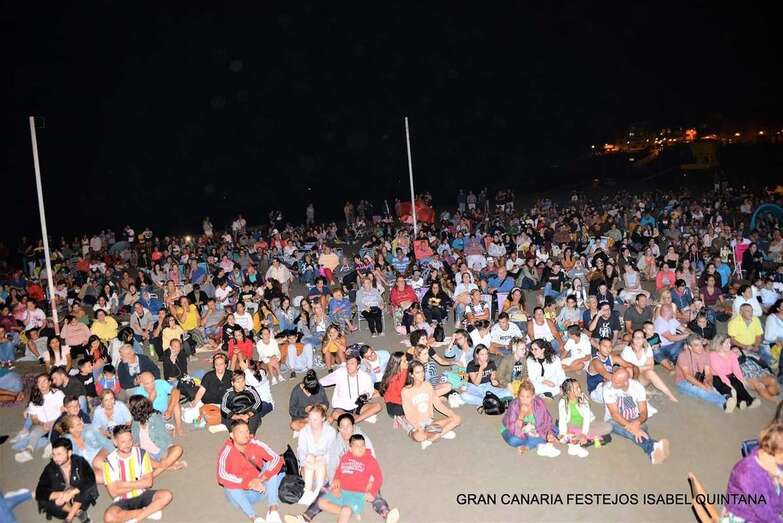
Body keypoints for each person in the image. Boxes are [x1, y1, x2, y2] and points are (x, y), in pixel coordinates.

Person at [216, 419, 285, 523]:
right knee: (229, 484)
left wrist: (261, 479)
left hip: (261, 487)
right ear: (232, 435)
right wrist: (248, 483)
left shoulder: (255, 443)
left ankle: (273, 510)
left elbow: (276, 458)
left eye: (247, 431)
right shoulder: (226, 452)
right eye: (241, 432)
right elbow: (221, 476)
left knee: (271, 465)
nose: (245, 435)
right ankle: (254, 517)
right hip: (242, 496)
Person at [101, 425, 173, 523]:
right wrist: (139, 482)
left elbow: (148, 483)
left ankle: (136, 518)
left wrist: (124, 484)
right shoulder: (108, 462)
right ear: (115, 442)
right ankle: (148, 512)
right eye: (123, 442)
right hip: (122, 500)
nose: (128, 444)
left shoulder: (141, 453)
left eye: (130, 440)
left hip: (142, 494)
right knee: (109, 517)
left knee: (167, 495)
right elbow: (114, 493)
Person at [602, 368, 670, 464]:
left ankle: (652, 452)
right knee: (634, 432)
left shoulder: (637, 387)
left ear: (625, 382)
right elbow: (615, 414)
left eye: (616, 383)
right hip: (614, 421)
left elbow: (643, 412)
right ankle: (653, 446)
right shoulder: (607, 388)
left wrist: (637, 422)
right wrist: (633, 428)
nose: (612, 384)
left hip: (635, 419)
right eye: (612, 380)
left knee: (638, 431)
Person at [723, 422, 783, 522]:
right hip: (744, 514)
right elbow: (764, 513)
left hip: (770, 505)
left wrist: (778, 474)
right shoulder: (748, 476)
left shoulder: (769, 457)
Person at [317, 434, 383, 523]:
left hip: (356, 495)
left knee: (346, 510)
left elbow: (379, 477)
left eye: (362, 445)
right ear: (350, 448)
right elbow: (339, 471)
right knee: (321, 503)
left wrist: (372, 492)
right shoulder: (345, 457)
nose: (360, 448)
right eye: (357, 446)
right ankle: (347, 512)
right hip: (341, 491)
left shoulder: (370, 460)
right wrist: (336, 480)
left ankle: (346, 512)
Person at [35, 438, 99, 523]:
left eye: (59, 454)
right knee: (44, 500)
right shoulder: (50, 468)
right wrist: (62, 494)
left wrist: (72, 492)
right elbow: (39, 491)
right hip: (63, 503)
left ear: (69, 453)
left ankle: (69, 519)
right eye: (53, 454)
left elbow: (90, 478)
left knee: (87, 486)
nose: (55, 458)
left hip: (81, 499)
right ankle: (78, 513)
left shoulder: (80, 461)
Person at [400, 361, 461, 450]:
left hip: (428, 422)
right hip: (415, 424)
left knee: (457, 419)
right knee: (419, 436)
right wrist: (418, 426)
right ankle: (439, 432)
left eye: (422, 371)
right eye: (417, 372)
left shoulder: (427, 385)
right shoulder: (406, 391)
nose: (421, 375)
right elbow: (409, 414)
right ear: (411, 374)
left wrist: (450, 413)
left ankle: (434, 436)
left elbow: (437, 403)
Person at [127, 395, 186, 476]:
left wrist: (170, 429)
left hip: (161, 450)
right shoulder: (135, 423)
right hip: (148, 455)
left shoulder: (155, 417)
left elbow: (164, 429)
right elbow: (134, 440)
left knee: (178, 449)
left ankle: (153, 475)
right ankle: (167, 466)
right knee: (132, 455)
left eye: (130, 406)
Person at [500, 379, 560, 457]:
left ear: (533, 396)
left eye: (528, 397)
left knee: (555, 430)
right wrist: (521, 415)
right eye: (522, 396)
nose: (524, 400)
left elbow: (547, 421)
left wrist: (549, 433)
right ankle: (536, 441)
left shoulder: (539, 403)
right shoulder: (514, 405)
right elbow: (513, 428)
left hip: (534, 430)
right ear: (518, 395)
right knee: (514, 441)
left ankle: (528, 446)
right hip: (513, 430)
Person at [675, 335, 735, 412]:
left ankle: (723, 404)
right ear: (690, 347)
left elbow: (708, 373)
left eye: (701, 344)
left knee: (709, 388)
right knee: (701, 391)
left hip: (698, 379)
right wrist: (703, 386)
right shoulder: (683, 356)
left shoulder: (705, 354)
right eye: (696, 345)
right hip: (683, 382)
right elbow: (687, 376)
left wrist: (709, 383)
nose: (700, 347)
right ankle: (723, 401)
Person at [14, 373, 65, 463]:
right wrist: (43, 424)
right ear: (37, 385)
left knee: (55, 430)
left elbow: (64, 410)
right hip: (43, 424)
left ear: (50, 382)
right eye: (39, 382)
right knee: (35, 432)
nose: (42, 384)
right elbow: (34, 419)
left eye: (45, 381)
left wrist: (54, 422)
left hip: (58, 421)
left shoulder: (58, 394)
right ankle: (28, 451)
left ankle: (51, 446)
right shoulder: (34, 399)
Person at [319, 353, 382, 424]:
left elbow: (370, 389)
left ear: (358, 366)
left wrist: (366, 395)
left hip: (357, 405)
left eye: (352, 363)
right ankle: (362, 417)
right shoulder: (340, 373)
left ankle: (353, 419)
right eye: (347, 363)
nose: (349, 366)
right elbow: (322, 382)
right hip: (342, 407)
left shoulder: (365, 376)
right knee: (335, 415)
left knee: (378, 406)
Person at [557, 378, 611, 457]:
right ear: (568, 391)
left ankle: (577, 438)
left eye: (579, 387)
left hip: (586, 423)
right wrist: (562, 433)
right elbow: (562, 419)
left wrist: (584, 434)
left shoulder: (583, 398)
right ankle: (589, 438)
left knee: (608, 427)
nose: (579, 389)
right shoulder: (563, 402)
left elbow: (586, 418)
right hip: (572, 424)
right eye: (576, 388)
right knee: (563, 432)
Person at [620, 330, 678, 402]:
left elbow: (650, 366)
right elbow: (627, 370)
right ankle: (643, 393)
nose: (638, 339)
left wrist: (636, 368)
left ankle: (670, 394)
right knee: (629, 371)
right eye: (636, 337)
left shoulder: (647, 347)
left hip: (643, 378)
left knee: (650, 372)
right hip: (630, 381)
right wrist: (641, 368)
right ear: (632, 339)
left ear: (644, 339)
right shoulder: (627, 350)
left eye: (641, 337)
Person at [296, 405, 337, 505]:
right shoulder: (304, 431)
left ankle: (319, 490)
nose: (312, 422)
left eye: (315, 420)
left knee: (319, 457)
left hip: (323, 467)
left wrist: (321, 460)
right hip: (308, 467)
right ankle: (307, 490)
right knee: (310, 457)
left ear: (323, 418)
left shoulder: (330, 432)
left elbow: (332, 452)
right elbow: (301, 450)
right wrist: (305, 461)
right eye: (310, 419)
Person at [709, 335, 761, 409]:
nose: (730, 345)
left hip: (729, 375)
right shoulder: (713, 355)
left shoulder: (732, 354)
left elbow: (736, 369)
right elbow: (720, 373)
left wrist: (741, 380)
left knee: (738, 384)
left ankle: (750, 400)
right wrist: (729, 384)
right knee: (726, 388)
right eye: (727, 343)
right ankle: (739, 401)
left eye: (729, 343)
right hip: (716, 376)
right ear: (720, 344)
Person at [129, 371, 183, 436]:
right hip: (152, 417)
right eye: (147, 383)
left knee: (175, 401)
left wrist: (170, 409)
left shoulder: (160, 383)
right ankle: (161, 429)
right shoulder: (138, 394)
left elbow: (176, 391)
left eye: (152, 381)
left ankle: (179, 426)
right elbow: (141, 413)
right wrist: (150, 400)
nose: (152, 385)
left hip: (166, 411)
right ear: (142, 384)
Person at [586, 338, 632, 403]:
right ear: (598, 347)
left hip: (610, 383)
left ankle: (626, 398)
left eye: (610, 346)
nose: (608, 349)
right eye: (605, 346)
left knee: (628, 370)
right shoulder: (595, 361)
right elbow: (607, 376)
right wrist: (625, 382)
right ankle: (624, 400)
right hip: (596, 391)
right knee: (611, 383)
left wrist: (631, 379)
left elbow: (629, 366)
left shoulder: (612, 357)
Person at [289, 369, 330, 434]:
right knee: (294, 425)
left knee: (330, 419)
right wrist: (304, 410)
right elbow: (292, 410)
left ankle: (309, 430)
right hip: (303, 417)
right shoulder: (296, 391)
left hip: (316, 416)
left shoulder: (319, 387)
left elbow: (326, 402)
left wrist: (323, 407)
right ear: (304, 387)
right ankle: (316, 430)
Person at [652, 304, 688, 370]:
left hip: (674, 345)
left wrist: (689, 334)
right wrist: (686, 335)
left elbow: (683, 329)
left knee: (686, 340)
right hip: (662, 347)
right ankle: (672, 364)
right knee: (655, 351)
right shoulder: (659, 322)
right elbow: (671, 338)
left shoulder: (673, 320)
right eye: (672, 311)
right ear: (667, 312)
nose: (673, 312)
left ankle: (676, 360)